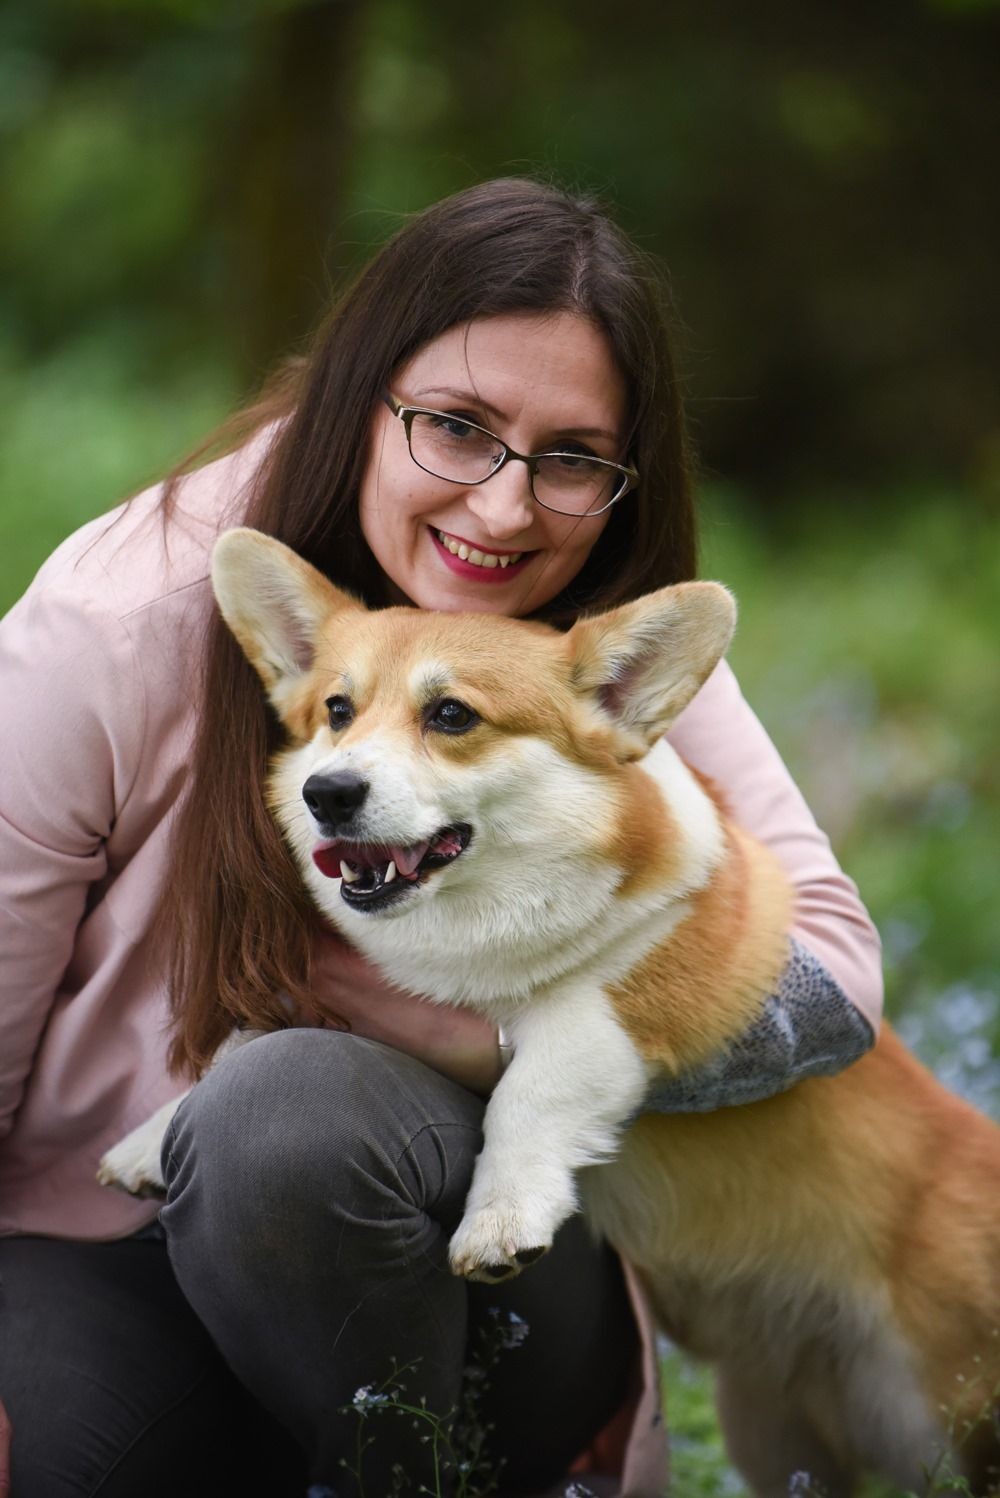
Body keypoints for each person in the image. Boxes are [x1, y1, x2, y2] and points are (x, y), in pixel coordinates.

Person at [0, 178, 882, 1498]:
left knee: (279, 1118)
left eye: (573, 456)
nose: (508, 510)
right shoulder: (125, 617)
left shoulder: (590, 639)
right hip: (100, 1244)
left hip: (461, 1248)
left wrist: (480, 1034)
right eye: (458, 427)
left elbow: (835, 982)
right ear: (361, 395)